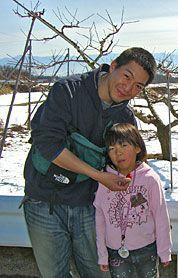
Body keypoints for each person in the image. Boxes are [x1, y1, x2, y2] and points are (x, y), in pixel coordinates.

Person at [22, 47, 157, 277]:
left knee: (98, 273)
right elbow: (48, 145)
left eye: (138, 86)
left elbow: (124, 164)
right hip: (45, 201)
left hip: (89, 205)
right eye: (127, 76)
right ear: (113, 65)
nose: (128, 88)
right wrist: (98, 175)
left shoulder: (124, 117)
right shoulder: (68, 91)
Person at [93, 123, 172, 277]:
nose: (118, 153)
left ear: (137, 148)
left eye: (123, 145)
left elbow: (161, 216)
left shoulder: (150, 179)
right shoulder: (105, 180)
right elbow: (100, 218)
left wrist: (164, 251)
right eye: (112, 149)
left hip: (147, 248)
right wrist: (102, 254)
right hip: (115, 251)